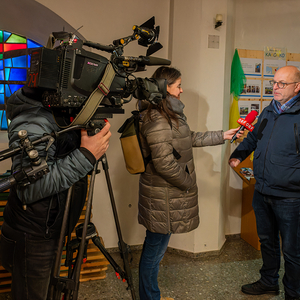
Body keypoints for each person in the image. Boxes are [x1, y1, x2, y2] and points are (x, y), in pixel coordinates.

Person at [137, 66, 243, 300]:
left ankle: (149, 295)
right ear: (165, 88)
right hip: (163, 196)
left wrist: (223, 135)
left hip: (164, 195)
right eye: (178, 86)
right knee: (154, 250)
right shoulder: (158, 119)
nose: (182, 90)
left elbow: (189, 137)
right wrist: (188, 183)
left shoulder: (169, 115)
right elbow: (164, 164)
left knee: (155, 247)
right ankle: (149, 297)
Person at [0, 85, 111, 300]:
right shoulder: (33, 122)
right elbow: (30, 189)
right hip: (33, 236)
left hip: (49, 230)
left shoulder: (55, 114)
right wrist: (86, 155)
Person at [229, 65, 300, 300]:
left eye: (282, 83)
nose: (276, 87)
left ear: (297, 87)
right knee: (267, 242)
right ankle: (269, 282)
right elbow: (253, 137)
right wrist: (238, 154)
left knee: (292, 251)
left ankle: (293, 292)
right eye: (274, 82)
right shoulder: (269, 110)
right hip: (262, 190)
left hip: (291, 197)